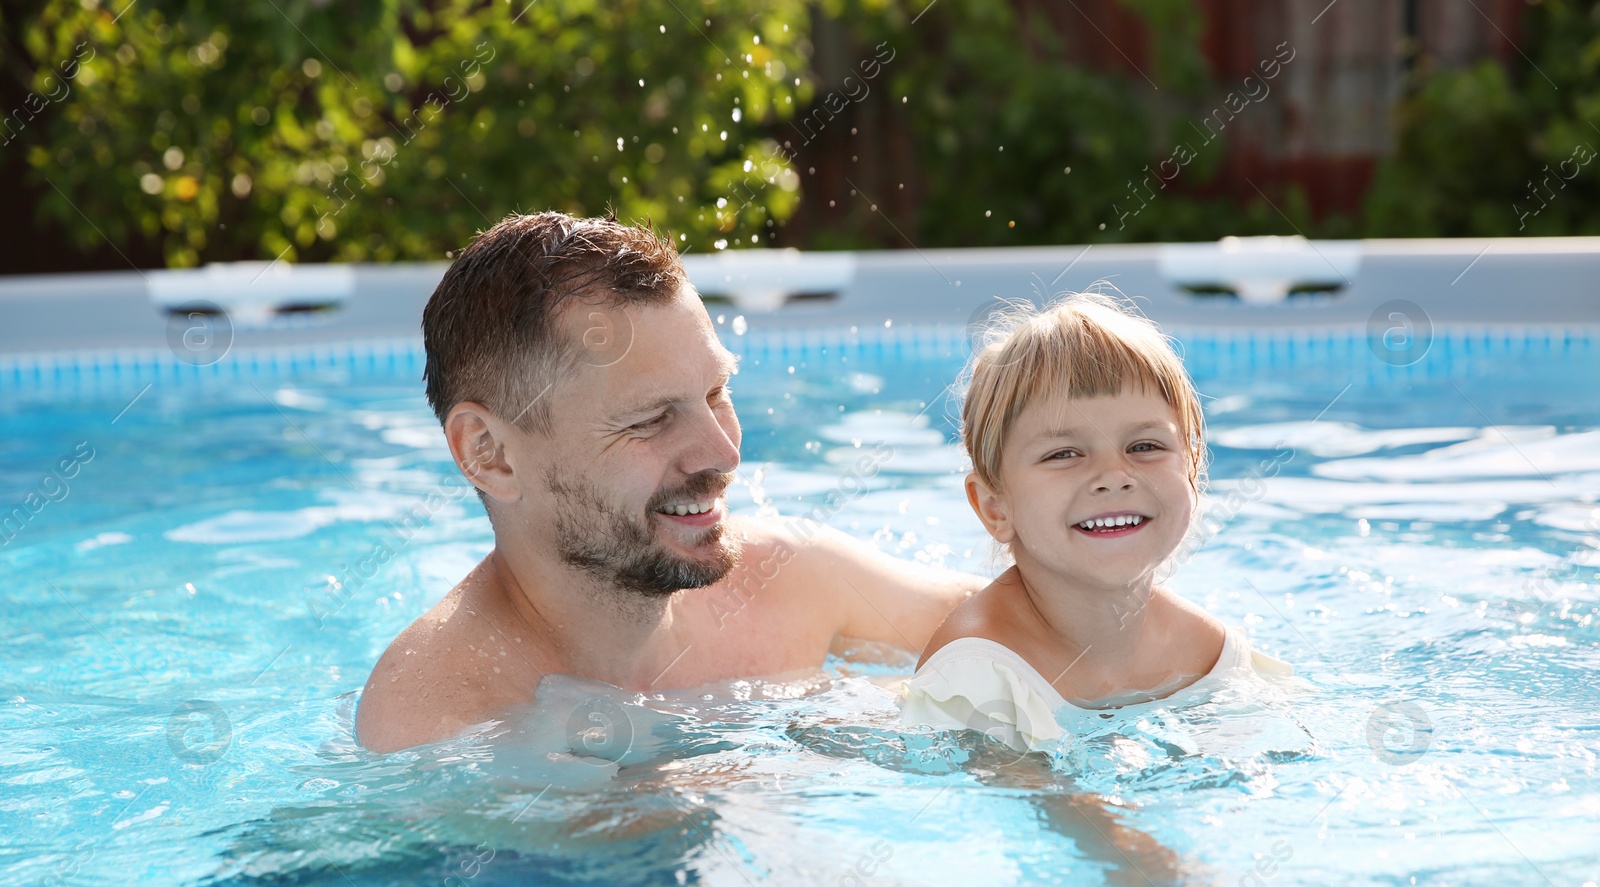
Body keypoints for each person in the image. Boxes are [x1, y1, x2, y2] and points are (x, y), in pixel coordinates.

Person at [357, 212, 981, 753]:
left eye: (716, 393)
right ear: (490, 454)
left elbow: (1042, 629)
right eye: (651, 419)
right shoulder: (436, 721)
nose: (724, 452)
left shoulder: (791, 578)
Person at [899, 293, 1290, 755]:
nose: (1114, 476)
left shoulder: (1209, 656)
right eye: (1064, 454)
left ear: (1193, 471)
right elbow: (1030, 801)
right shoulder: (976, 671)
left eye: (1144, 446)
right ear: (994, 508)